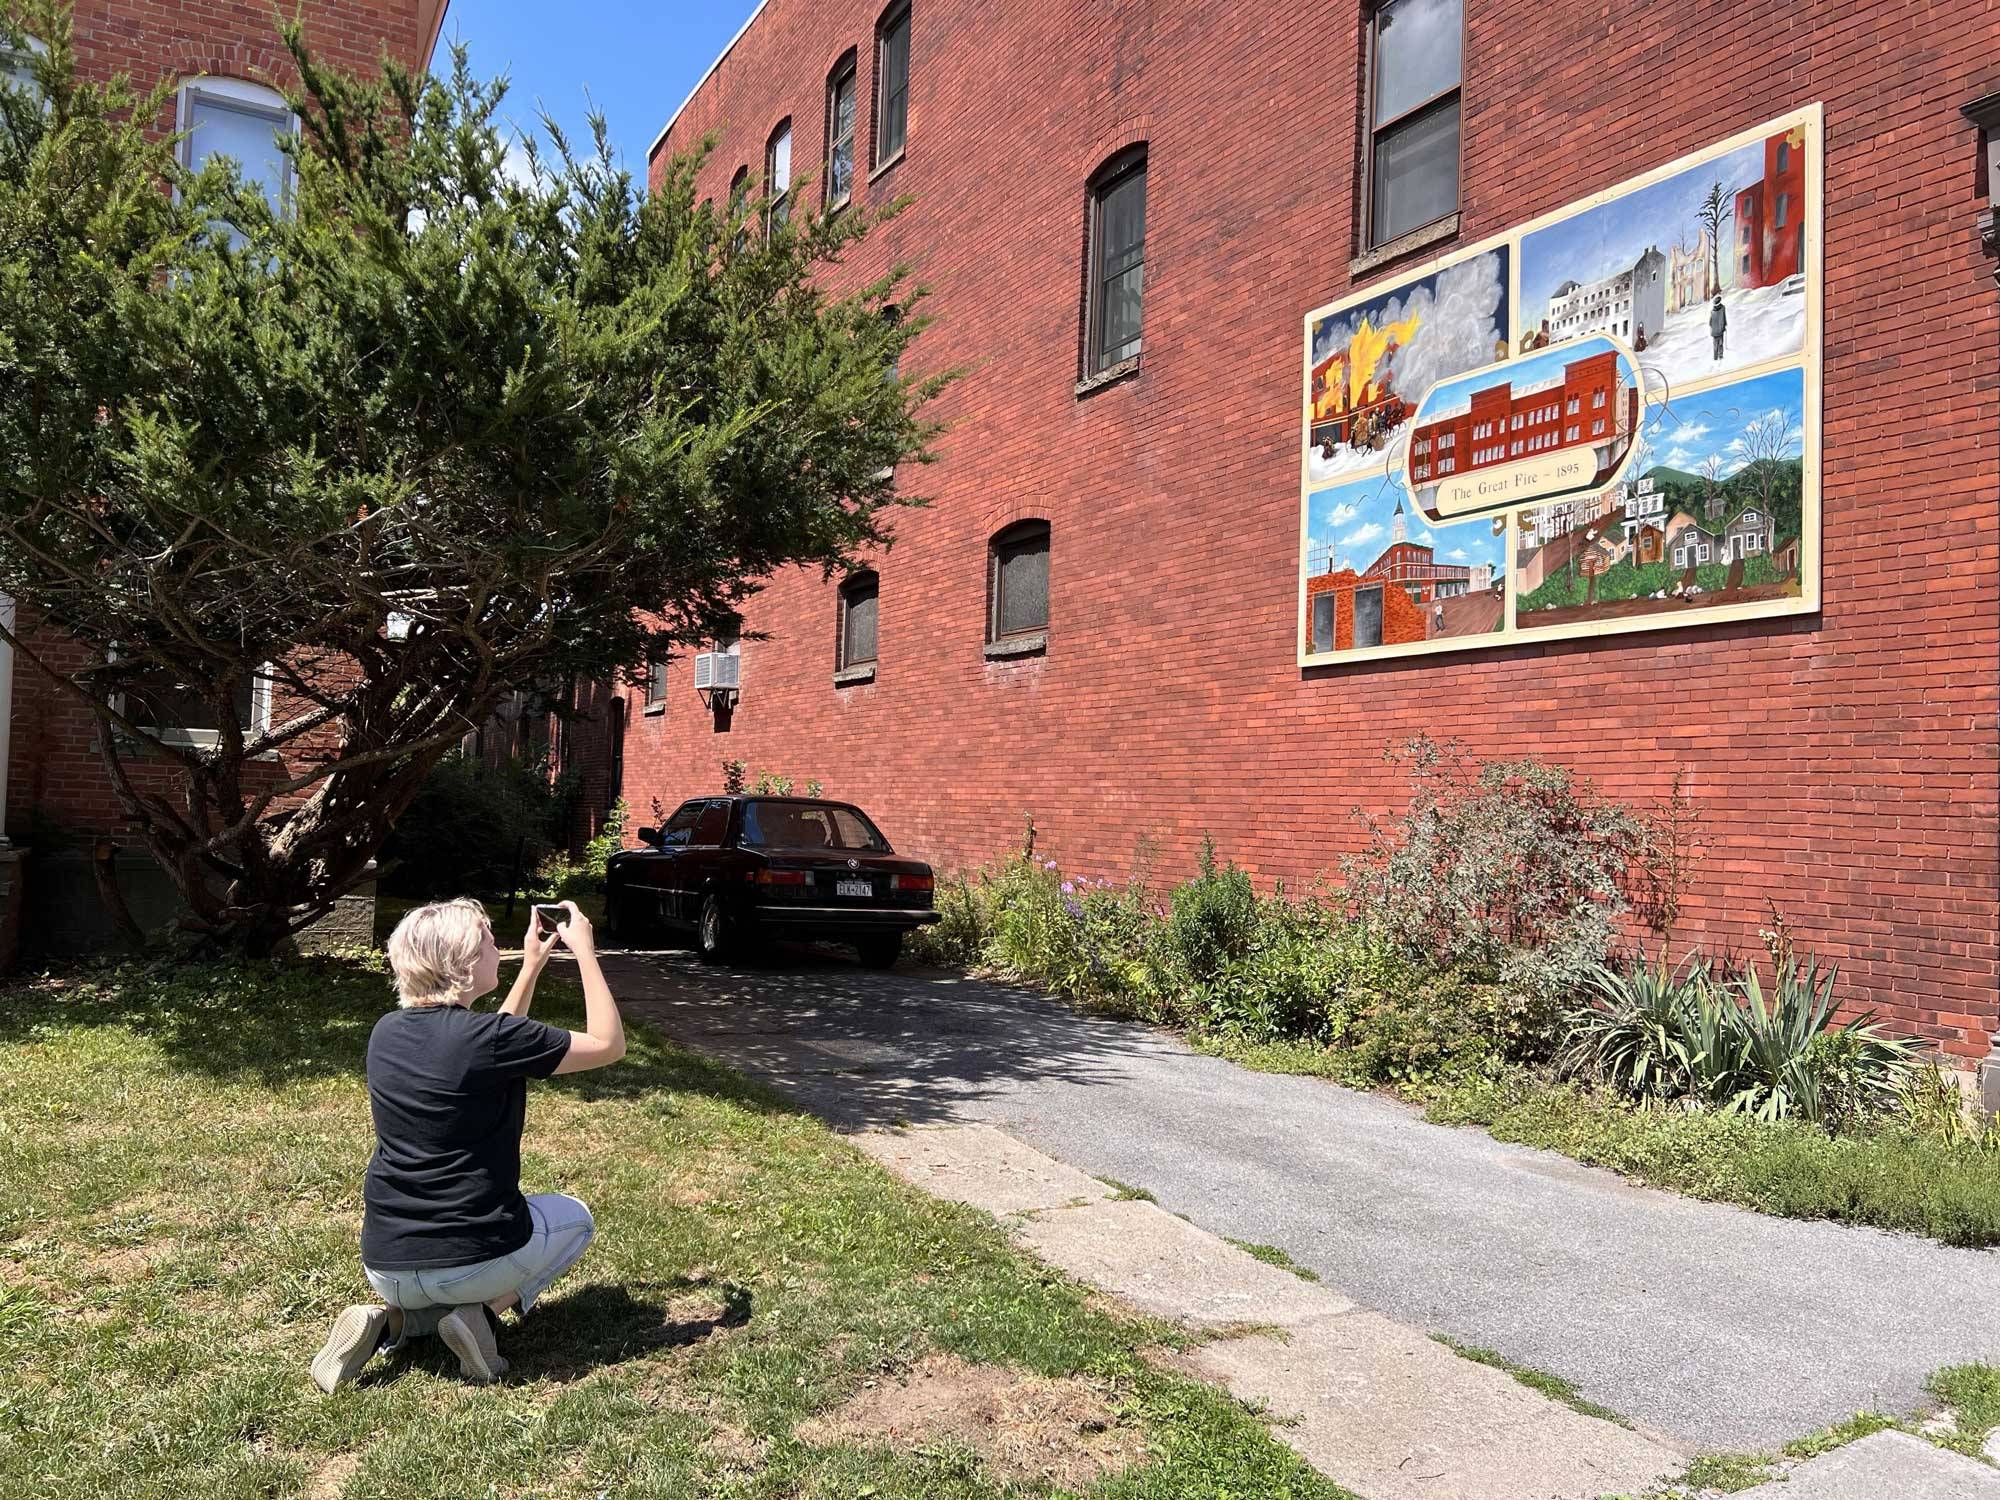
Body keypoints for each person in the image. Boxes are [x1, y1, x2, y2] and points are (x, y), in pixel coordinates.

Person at [309, 897, 625, 1393]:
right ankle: (480, 1314)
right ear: (463, 964)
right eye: (489, 943)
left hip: (384, 1262)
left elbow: (488, 1043)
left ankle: (395, 1322)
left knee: (420, 1283)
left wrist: (533, 966)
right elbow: (608, 1045)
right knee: (576, 1218)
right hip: (474, 1258)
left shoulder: (385, 1033)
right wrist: (585, 951)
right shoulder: (489, 1040)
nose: (499, 951)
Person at [1709, 295, 1727, 360]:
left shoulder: (1712, 311)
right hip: (1720, 330)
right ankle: (1720, 356)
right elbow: (1724, 318)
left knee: (1715, 344)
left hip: (1714, 331)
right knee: (1720, 343)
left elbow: (1710, 322)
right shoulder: (1723, 308)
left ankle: (1715, 357)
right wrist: (1724, 325)